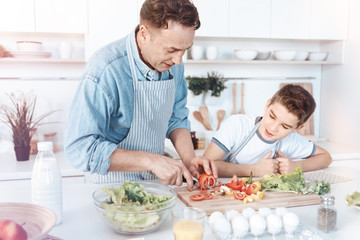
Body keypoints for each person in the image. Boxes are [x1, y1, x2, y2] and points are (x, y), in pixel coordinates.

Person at [65, 0, 217, 188]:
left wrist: (189, 159)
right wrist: (151, 161)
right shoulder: (105, 70)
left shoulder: (172, 63)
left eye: (185, 50)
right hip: (110, 188)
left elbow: (176, 117)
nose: (178, 60)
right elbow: (79, 149)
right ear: (144, 34)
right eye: (172, 50)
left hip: (156, 186)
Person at [203, 84, 332, 177]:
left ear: (297, 128)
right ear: (267, 104)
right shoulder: (237, 125)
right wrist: (254, 170)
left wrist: (296, 167)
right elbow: (206, 166)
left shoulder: (291, 140)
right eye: (272, 116)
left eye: (285, 126)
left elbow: (326, 158)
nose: (272, 128)